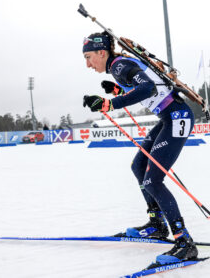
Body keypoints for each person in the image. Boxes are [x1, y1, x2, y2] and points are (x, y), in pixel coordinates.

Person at [82, 31, 198, 265]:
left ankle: (184, 242)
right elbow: (146, 88)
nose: (88, 64)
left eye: (88, 57)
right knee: (139, 166)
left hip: (176, 117)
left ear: (101, 52)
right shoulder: (119, 66)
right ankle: (156, 224)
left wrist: (109, 103)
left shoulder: (118, 65)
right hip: (169, 118)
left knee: (153, 180)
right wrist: (117, 91)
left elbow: (147, 89)